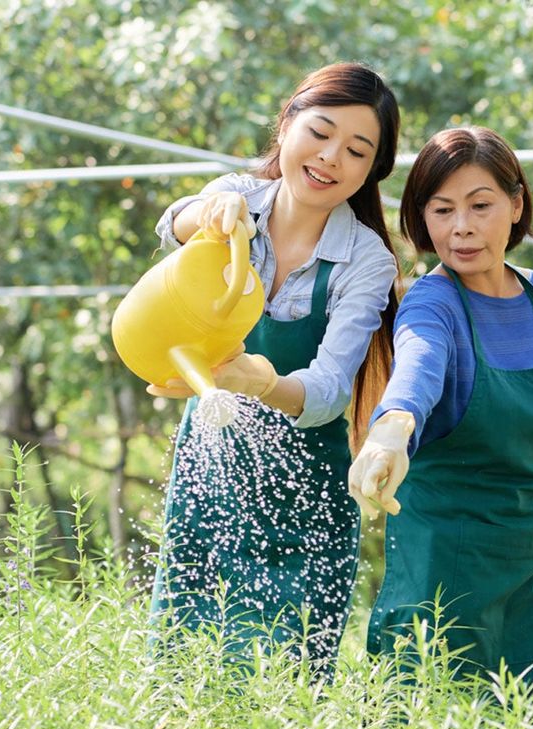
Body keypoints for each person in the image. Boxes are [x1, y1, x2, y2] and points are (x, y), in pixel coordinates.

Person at [146, 62, 401, 681]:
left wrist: (257, 383)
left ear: (370, 171)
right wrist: (204, 213)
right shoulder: (239, 200)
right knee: (181, 672)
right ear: (286, 126)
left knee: (281, 685)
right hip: (209, 479)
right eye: (319, 132)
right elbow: (173, 223)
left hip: (306, 500)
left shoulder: (366, 259)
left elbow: (332, 387)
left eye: (356, 150)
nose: (330, 157)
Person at [347, 126, 533, 688]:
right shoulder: (432, 301)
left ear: (515, 205)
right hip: (444, 577)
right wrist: (391, 430)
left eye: (480, 205)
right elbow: (415, 366)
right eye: (441, 210)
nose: (460, 226)